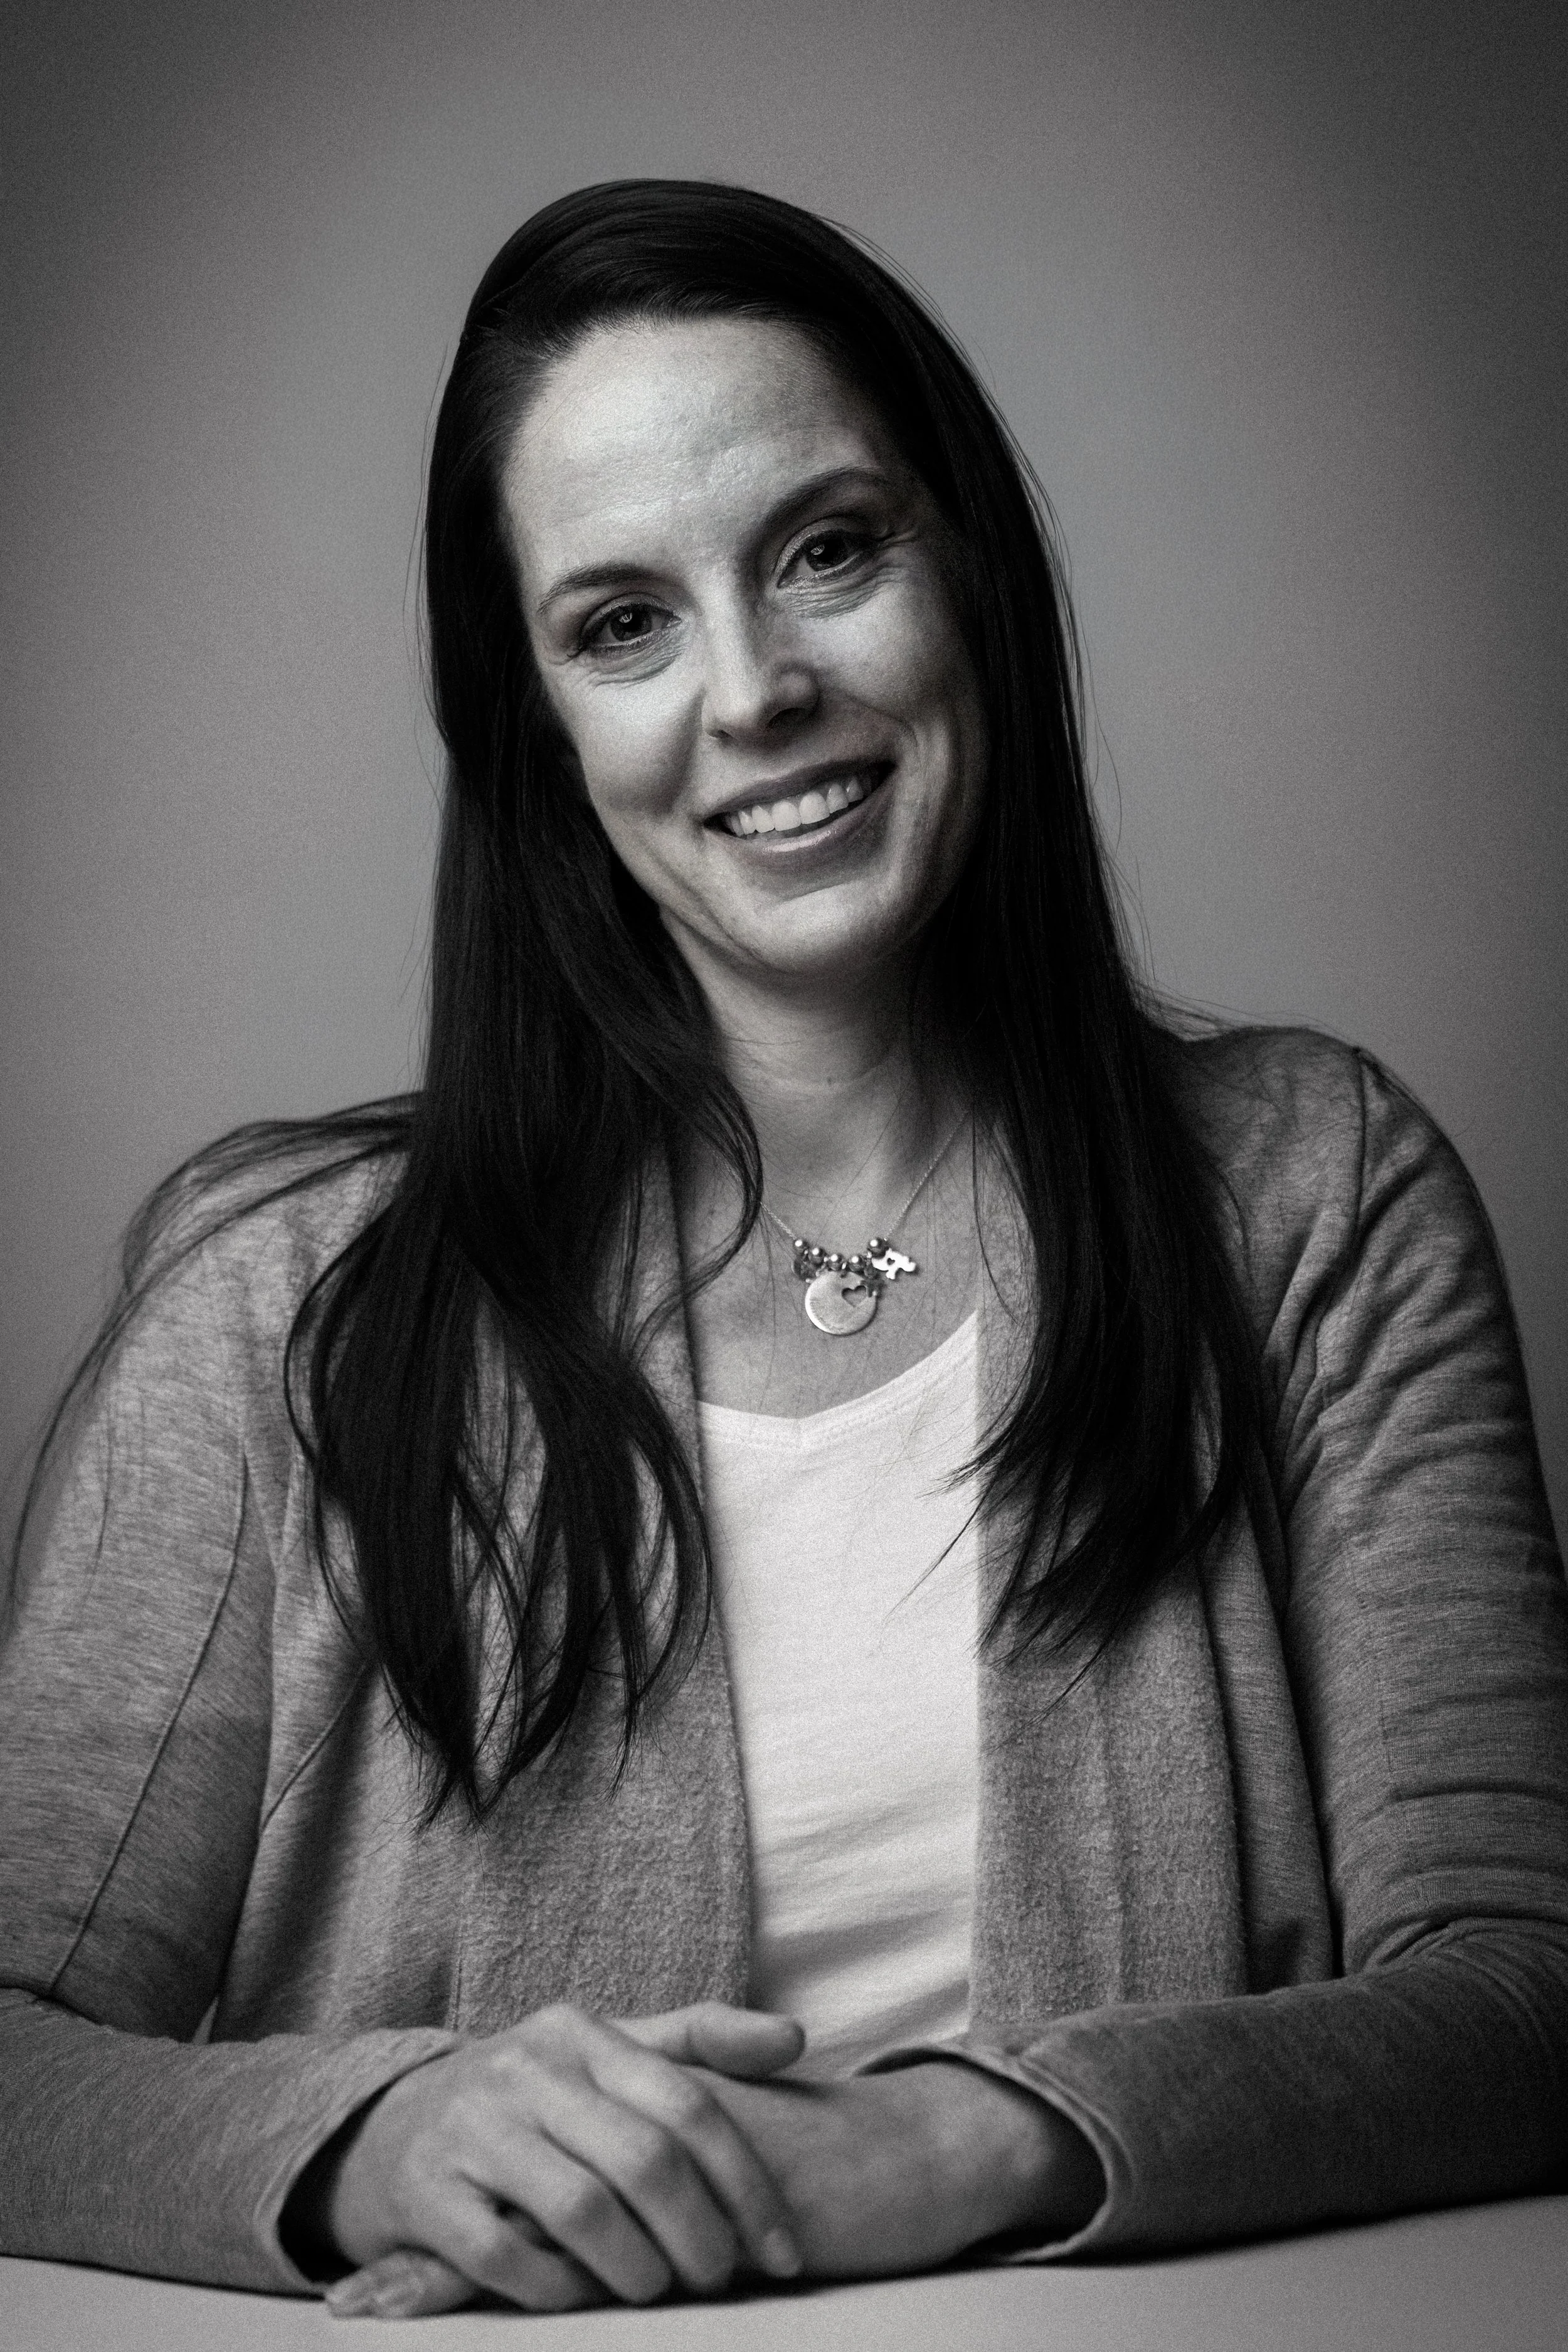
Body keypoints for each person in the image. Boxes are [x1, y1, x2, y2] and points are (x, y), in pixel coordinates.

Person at [2, 179, 1565, 2323]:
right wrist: (368, 2136)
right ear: (536, 733)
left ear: (969, 576)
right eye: (619, 621)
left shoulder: (1315, 1194)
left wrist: (964, 2135)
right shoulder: (277, 1306)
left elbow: (1525, 1985)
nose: (755, 689)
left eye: (827, 548)